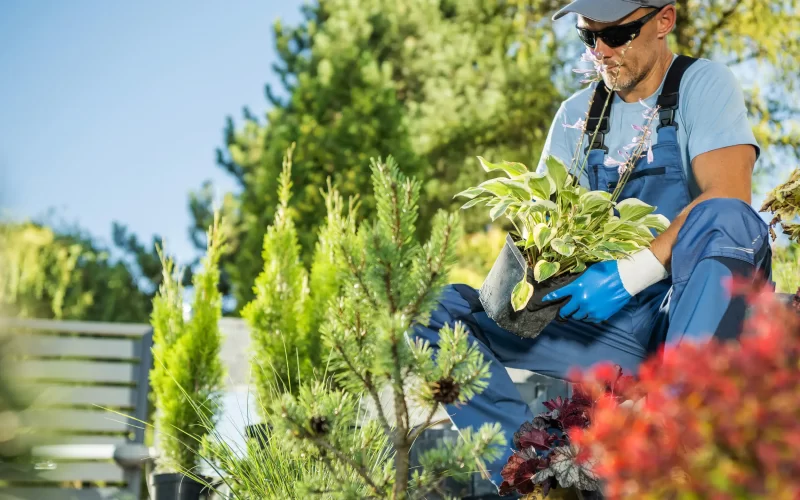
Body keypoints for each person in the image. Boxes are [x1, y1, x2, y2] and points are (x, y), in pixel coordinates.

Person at [411, 0, 772, 492]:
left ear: (664, 20)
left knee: (725, 218)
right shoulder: (575, 117)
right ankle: (531, 474)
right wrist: (533, 277)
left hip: (691, 316)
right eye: (588, 37)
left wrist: (631, 274)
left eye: (617, 35)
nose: (600, 51)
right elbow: (542, 221)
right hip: (610, 326)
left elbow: (729, 194)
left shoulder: (701, 85)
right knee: (434, 309)